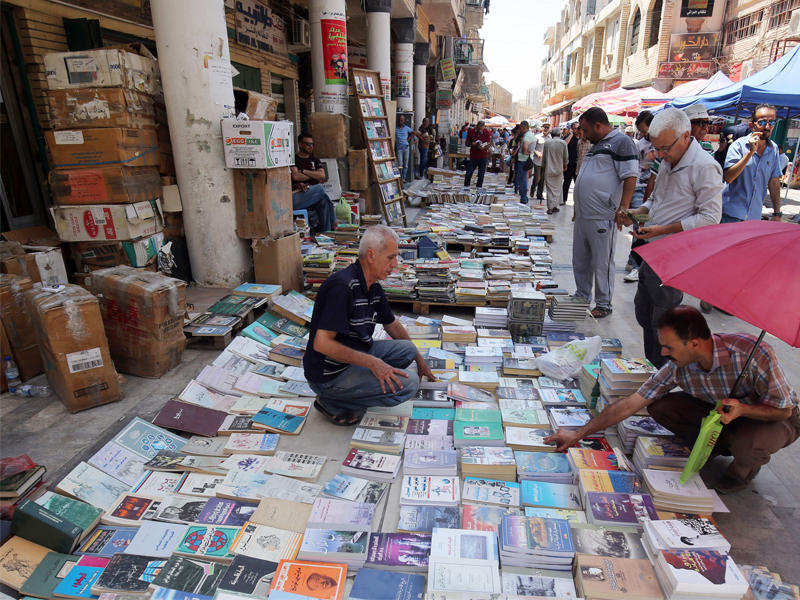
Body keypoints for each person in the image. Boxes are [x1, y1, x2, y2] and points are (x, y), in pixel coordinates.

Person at [545, 305, 800, 494]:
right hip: (720, 412)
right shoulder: (679, 366)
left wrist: (743, 409)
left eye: (669, 348)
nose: (664, 354)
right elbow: (632, 403)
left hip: (772, 419)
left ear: (695, 344)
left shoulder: (752, 353)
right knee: (662, 406)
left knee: (751, 443)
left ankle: (742, 470)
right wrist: (578, 434)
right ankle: (718, 445)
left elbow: (783, 410)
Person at [303, 225, 435, 425]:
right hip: (329, 374)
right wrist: (373, 364)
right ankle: (331, 400)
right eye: (391, 258)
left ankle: (358, 387)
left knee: (408, 349)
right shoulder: (342, 287)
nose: (395, 265)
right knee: (409, 384)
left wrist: (420, 360)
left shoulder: (373, 286)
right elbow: (323, 345)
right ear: (372, 255)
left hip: (356, 355)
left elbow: (392, 325)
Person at [622, 108, 723, 367]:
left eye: (665, 148)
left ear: (686, 136)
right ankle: (651, 368)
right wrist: (639, 212)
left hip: (675, 256)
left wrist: (664, 230)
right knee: (644, 312)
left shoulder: (704, 167)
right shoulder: (667, 160)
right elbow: (657, 199)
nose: (661, 155)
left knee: (663, 321)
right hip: (653, 251)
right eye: (657, 149)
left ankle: (660, 375)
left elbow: (711, 218)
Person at [571, 107, 638, 319]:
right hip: (584, 215)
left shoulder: (621, 142)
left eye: (585, 129)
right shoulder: (596, 145)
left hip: (602, 215)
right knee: (580, 260)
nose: (583, 133)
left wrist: (623, 208)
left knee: (601, 262)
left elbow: (630, 176)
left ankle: (604, 303)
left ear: (598, 125)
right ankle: (582, 295)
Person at [720, 104, 784, 223]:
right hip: (730, 215)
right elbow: (728, 177)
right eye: (763, 122)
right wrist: (750, 153)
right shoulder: (738, 146)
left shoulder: (773, 149)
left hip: (753, 217)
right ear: (752, 125)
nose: (767, 126)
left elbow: (774, 181)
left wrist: (777, 213)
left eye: (772, 123)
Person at [624, 110, 656, 283]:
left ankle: (635, 260)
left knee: (644, 228)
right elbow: (634, 169)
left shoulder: (661, 145)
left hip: (654, 193)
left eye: (644, 130)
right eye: (641, 131)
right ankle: (636, 263)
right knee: (639, 226)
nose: (643, 134)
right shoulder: (640, 145)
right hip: (640, 190)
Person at [291, 132, 335, 234]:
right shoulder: (294, 159)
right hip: (299, 195)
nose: (310, 147)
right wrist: (314, 174)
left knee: (323, 200)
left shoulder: (315, 159)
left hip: (313, 196)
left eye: (312, 144)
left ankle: (325, 235)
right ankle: (333, 224)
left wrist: (304, 171)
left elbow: (322, 176)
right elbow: (295, 176)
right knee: (320, 188)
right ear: (300, 144)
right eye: (307, 144)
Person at [542, 128, 568, 214]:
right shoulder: (563, 143)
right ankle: (554, 206)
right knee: (557, 188)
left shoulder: (547, 143)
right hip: (559, 169)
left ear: (552, 135)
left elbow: (544, 157)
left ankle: (550, 208)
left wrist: (543, 166)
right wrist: (565, 165)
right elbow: (565, 157)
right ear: (559, 135)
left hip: (549, 168)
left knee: (549, 189)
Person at [464, 120, 492, 188]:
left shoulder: (486, 132)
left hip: (483, 156)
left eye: (482, 129)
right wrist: (472, 144)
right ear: (477, 126)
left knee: (481, 175)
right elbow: (466, 143)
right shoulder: (471, 131)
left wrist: (484, 147)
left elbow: (489, 143)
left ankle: (478, 189)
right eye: (479, 129)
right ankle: (466, 187)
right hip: (473, 156)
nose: (480, 131)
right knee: (469, 173)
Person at [514, 120, 536, 203]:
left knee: (522, 179)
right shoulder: (530, 135)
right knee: (523, 178)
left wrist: (525, 152)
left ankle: (523, 197)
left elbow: (525, 146)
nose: (520, 130)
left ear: (524, 127)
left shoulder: (527, 136)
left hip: (523, 160)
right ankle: (523, 196)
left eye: (520, 128)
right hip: (526, 159)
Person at [561, 122, 579, 205]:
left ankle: (577, 201)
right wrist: (571, 134)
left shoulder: (583, 138)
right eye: (575, 128)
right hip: (569, 163)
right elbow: (564, 144)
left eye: (578, 128)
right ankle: (564, 199)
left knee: (577, 184)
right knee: (566, 182)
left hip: (578, 164)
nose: (577, 130)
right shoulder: (568, 137)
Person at [532, 123, 550, 200]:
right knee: (537, 178)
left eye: (548, 127)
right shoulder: (537, 137)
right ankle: (533, 188)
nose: (546, 129)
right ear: (542, 128)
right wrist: (537, 153)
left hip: (546, 162)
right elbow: (532, 148)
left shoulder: (550, 138)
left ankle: (539, 195)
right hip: (537, 161)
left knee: (542, 179)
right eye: (545, 127)